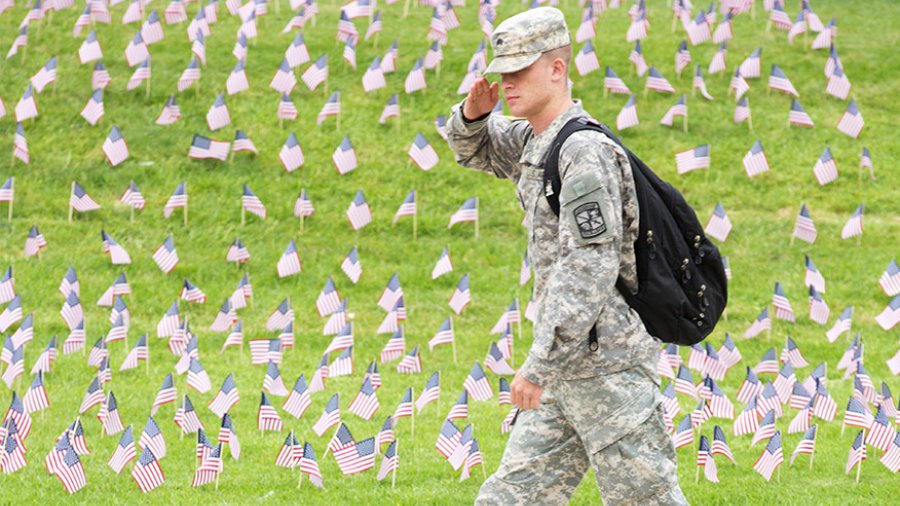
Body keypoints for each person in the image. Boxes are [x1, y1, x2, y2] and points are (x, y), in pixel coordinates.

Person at [445, 7, 688, 505]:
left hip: (608, 369)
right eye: (503, 71)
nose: (508, 82)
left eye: (520, 70)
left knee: (646, 500)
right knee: (507, 500)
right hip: (565, 370)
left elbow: (589, 265)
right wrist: (473, 115)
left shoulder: (583, 152)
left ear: (557, 69)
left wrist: (537, 365)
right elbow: (476, 151)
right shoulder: (539, 139)